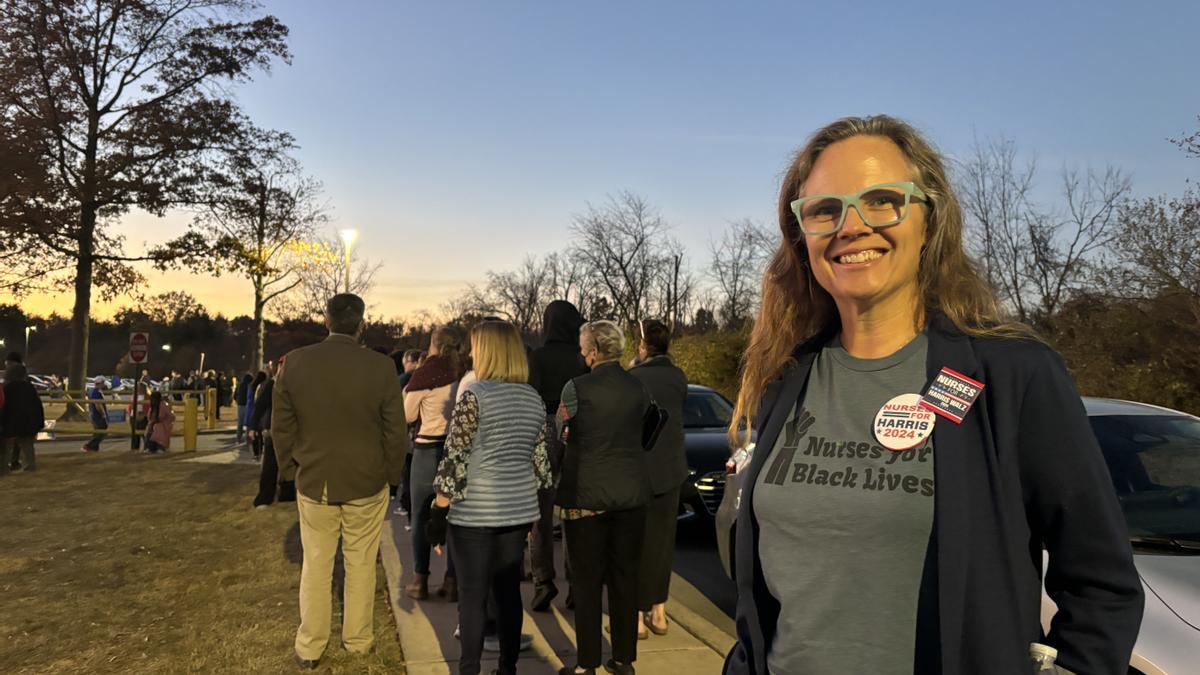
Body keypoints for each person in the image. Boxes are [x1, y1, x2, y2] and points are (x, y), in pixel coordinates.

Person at [724, 115, 1143, 675]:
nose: (851, 226)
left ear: (930, 219)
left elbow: (1103, 583)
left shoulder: (1012, 375)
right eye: (824, 210)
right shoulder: (787, 377)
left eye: (881, 201)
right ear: (802, 237)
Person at [272, 293, 409, 670]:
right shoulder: (380, 367)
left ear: (326, 321)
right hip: (366, 478)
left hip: (315, 478)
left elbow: (281, 426)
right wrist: (392, 474)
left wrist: (288, 470)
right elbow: (394, 431)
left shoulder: (296, 363)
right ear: (361, 323)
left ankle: (311, 646)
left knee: (316, 563)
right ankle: (358, 640)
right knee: (361, 562)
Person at [425, 320, 553, 675]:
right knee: (509, 595)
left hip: (474, 514)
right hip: (516, 513)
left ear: (489, 352)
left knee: (473, 598)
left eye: (476, 346)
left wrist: (438, 512)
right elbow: (541, 467)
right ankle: (508, 668)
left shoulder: (474, 396)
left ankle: (469, 669)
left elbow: (454, 459)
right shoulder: (532, 399)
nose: (471, 353)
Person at [556, 320, 653, 675]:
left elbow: (560, 435)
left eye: (584, 347)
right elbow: (649, 433)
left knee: (587, 581)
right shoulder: (639, 387)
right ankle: (624, 659)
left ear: (595, 350)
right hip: (631, 496)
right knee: (625, 577)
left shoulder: (575, 389)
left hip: (586, 498)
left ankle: (587, 663)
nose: (582, 353)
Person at [526, 300, 590, 612]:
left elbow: (529, 396)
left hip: (544, 431)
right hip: (576, 431)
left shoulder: (537, 357)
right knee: (572, 511)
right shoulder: (581, 358)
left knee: (540, 511)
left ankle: (542, 580)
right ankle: (576, 583)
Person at [628, 319, 688, 639]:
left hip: (641, 472)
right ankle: (659, 612)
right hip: (673, 469)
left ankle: (637, 618)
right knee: (663, 544)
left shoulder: (635, 378)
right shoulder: (679, 377)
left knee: (638, 544)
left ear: (642, 347)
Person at [403, 326, 465, 601]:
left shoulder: (424, 375)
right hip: (455, 450)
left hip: (427, 448)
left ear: (433, 346)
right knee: (453, 516)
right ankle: (452, 580)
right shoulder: (463, 374)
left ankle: (420, 579)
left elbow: (406, 414)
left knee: (420, 515)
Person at [252, 357, 296, 508]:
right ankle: (266, 496)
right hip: (273, 429)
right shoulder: (273, 384)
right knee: (271, 464)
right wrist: (253, 426)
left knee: (288, 463)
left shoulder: (291, 384)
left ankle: (286, 493)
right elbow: (261, 405)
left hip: (289, 430)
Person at [1, 363, 44, 474]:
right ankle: (30, 467)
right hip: (27, 422)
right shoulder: (29, 388)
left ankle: (4, 468)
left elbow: (3, 406)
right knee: (27, 446)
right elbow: (37, 406)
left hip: (10, 422)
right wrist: (39, 422)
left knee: (6, 448)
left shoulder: (6, 388)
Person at [244, 371, 267, 458]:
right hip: (256, 411)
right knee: (259, 433)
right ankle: (259, 451)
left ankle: (256, 452)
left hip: (249, 411)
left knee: (253, 432)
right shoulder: (260, 387)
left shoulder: (251, 386)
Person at [82, 378, 109, 453]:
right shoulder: (97, 392)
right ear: (100, 383)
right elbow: (98, 404)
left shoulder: (92, 391)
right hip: (98, 415)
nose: (104, 384)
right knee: (102, 431)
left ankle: (94, 449)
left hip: (93, 414)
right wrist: (103, 414)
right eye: (103, 383)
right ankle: (89, 446)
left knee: (97, 432)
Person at [234, 373, 252, 442]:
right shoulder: (249, 385)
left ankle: (239, 438)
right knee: (248, 423)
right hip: (247, 404)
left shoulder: (239, 385)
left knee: (240, 423)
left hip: (240, 404)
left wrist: (237, 401)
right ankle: (247, 439)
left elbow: (235, 395)